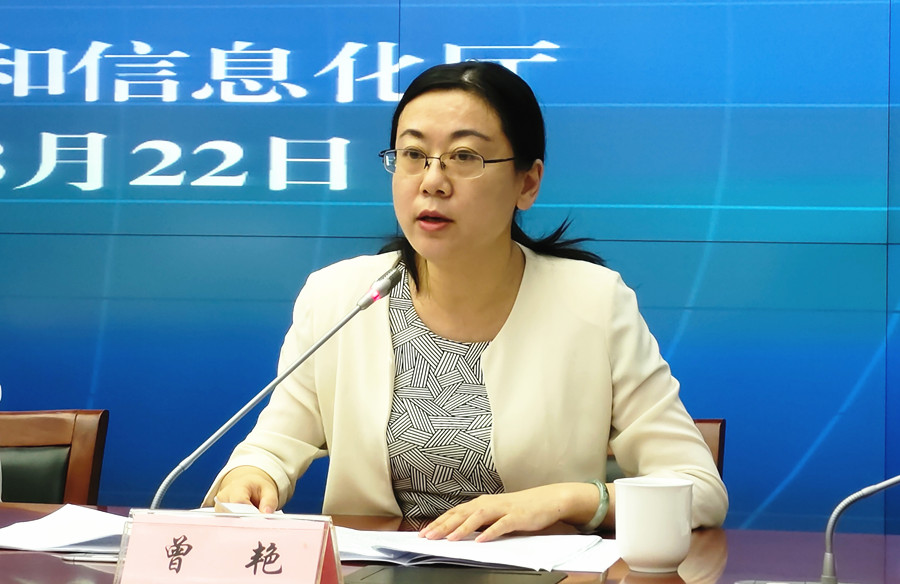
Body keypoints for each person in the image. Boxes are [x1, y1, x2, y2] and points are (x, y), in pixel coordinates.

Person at [205, 61, 728, 541]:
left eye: (464, 157)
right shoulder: (340, 296)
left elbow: (698, 489)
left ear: (527, 183)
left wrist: (565, 500)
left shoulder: (593, 302)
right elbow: (273, 445)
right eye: (413, 155)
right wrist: (251, 476)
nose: (432, 182)